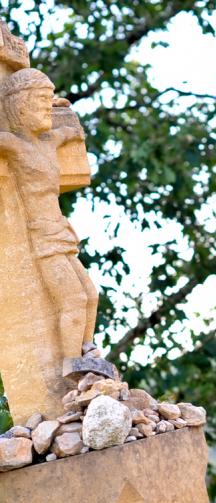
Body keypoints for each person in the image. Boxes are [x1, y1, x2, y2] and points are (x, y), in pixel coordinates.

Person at [0, 67, 98, 360]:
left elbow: (70, 130)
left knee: (91, 296)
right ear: (20, 105)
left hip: (62, 230)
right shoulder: (13, 144)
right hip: (41, 235)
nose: (46, 105)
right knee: (73, 299)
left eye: (48, 98)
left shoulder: (49, 142)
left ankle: (87, 351)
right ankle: (73, 366)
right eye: (40, 99)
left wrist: (60, 108)